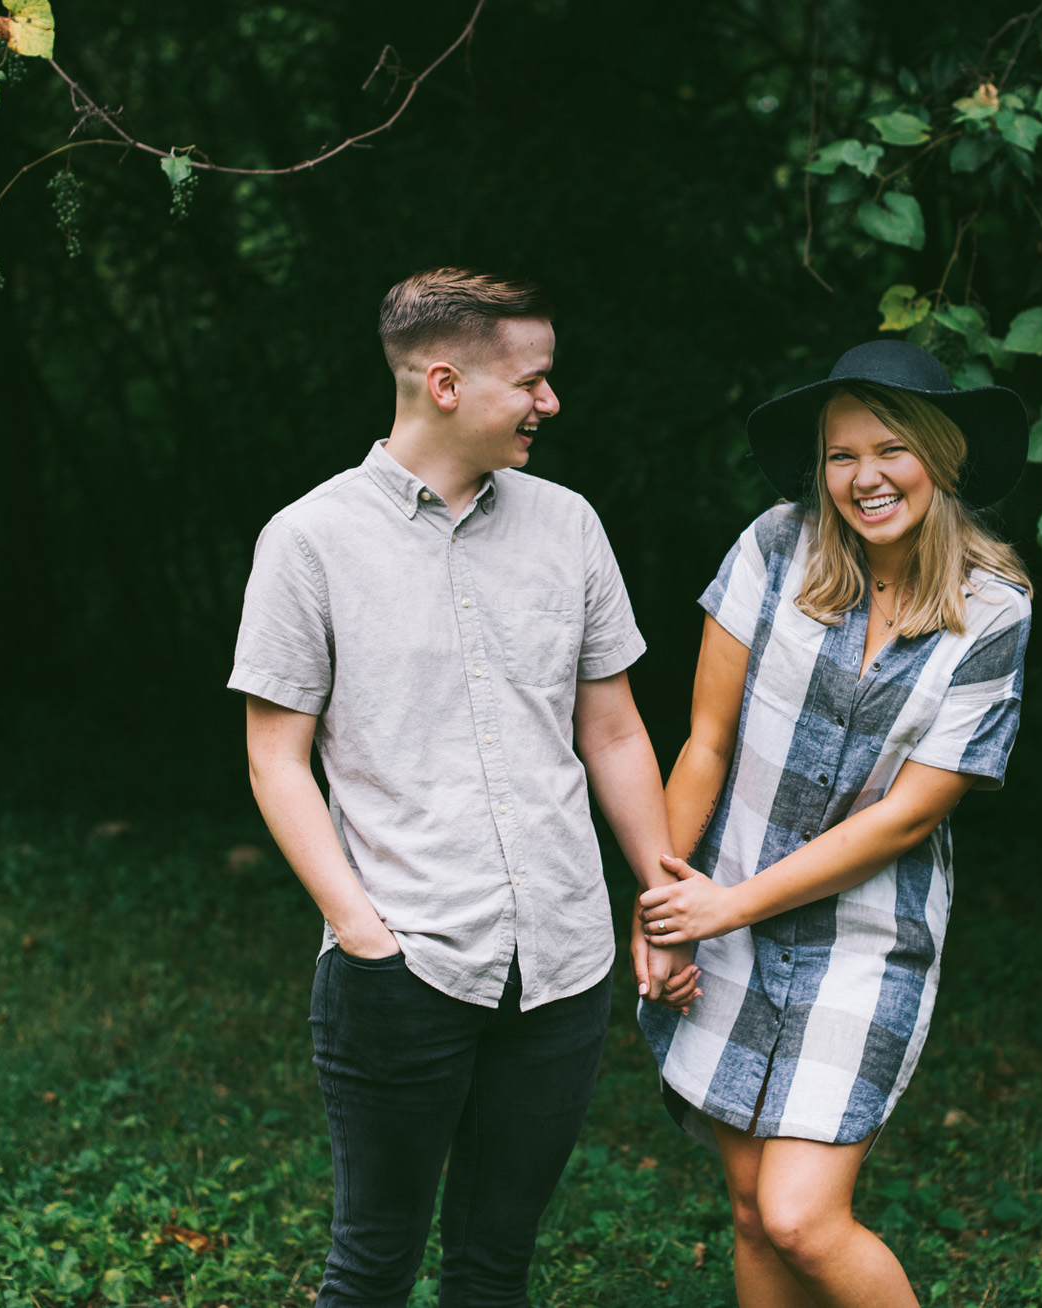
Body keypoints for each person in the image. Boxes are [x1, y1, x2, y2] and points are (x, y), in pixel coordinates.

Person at [229, 267, 696, 1308]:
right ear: (444, 383)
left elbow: (614, 729)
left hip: (564, 963)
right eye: (530, 381)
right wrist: (363, 935)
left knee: (494, 1270)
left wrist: (662, 899)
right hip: (403, 962)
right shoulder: (307, 541)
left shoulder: (568, 525)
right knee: (371, 1268)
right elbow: (275, 759)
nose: (550, 402)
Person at [634, 340, 1034, 1308]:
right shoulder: (774, 547)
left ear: (942, 456)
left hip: (864, 937)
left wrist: (724, 908)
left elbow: (904, 820)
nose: (864, 477)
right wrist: (664, 908)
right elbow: (704, 744)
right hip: (717, 909)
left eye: (891, 449)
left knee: (799, 1217)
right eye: (840, 454)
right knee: (747, 1208)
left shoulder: (993, 612)